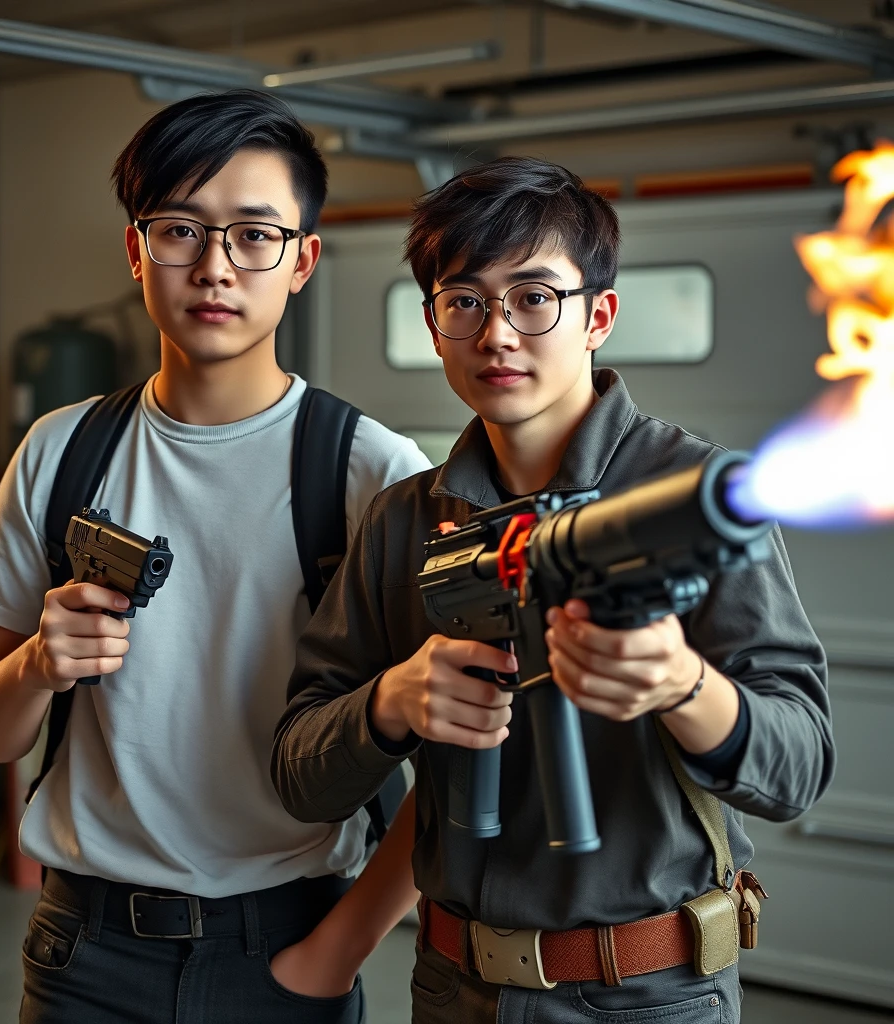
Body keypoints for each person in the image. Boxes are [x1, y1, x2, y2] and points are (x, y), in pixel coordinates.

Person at [272, 156, 834, 1023]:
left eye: (535, 298)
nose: (498, 333)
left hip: (648, 995)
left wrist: (685, 689)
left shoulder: (695, 494)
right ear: (433, 325)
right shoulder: (402, 521)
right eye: (464, 302)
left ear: (598, 315)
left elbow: (798, 767)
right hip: (452, 991)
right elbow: (300, 774)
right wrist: (391, 702)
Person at [0, 89, 430, 1024]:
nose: (215, 268)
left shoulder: (371, 472)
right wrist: (40, 665)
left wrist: (339, 952)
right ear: (136, 250)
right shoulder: (60, 451)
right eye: (180, 231)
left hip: (289, 948)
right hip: (85, 955)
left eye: (254, 236)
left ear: (302, 262)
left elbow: (460, 751)